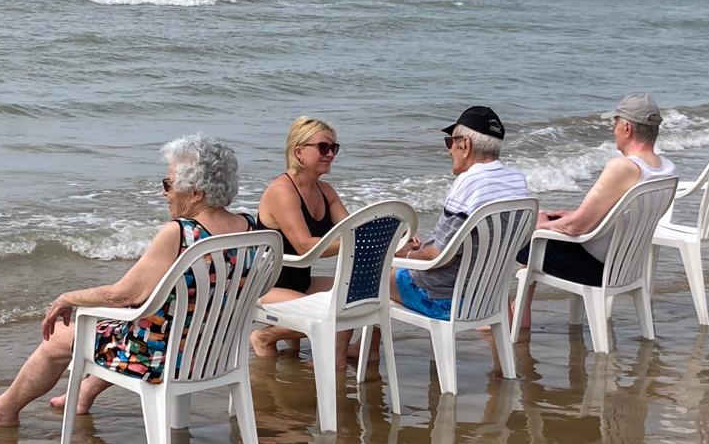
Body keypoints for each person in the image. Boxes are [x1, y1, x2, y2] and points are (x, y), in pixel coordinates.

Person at [0, 135, 257, 425]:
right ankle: (83, 394)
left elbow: (123, 295)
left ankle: (2, 412)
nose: (164, 192)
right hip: (215, 351)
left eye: (168, 184)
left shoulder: (181, 233)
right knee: (138, 321)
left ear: (196, 193)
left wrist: (67, 298)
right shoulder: (251, 228)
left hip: (164, 359)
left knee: (59, 339)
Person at [358, 106, 530, 359]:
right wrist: (421, 249)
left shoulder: (468, 183)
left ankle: (365, 353)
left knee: (372, 273)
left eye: (450, 142)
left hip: (447, 300)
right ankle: (500, 365)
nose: (449, 150)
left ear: (465, 146)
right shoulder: (517, 181)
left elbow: (438, 256)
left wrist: (403, 254)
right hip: (490, 296)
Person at [514, 94, 676, 332]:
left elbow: (577, 228)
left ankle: (517, 313)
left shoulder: (623, 167)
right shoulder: (666, 169)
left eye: (615, 123)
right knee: (551, 225)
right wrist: (565, 217)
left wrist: (540, 225)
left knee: (526, 237)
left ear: (627, 127)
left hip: (596, 268)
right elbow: (614, 214)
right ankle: (518, 306)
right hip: (626, 264)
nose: (613, 130)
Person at [249, 116, 350, 361]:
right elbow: (304, 246)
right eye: (323, 147)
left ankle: (330, 361)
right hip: (266, 286)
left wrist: (396, 239)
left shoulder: (325, 191)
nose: (330, 154)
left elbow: (353, 229)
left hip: (300, 280)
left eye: (333, 148)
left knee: (353, 297)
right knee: (327, 314)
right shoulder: (282, 191)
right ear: (299, 152)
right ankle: (264, 337)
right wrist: (353, 244)